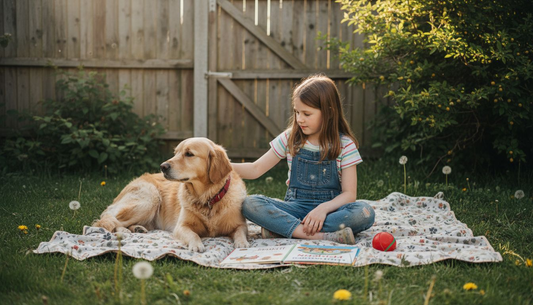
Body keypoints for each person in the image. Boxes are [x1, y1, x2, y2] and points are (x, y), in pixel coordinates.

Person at [231, 74, 375, 244]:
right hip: (295, 208)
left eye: (306, 113)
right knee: (250, 203)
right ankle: (317, 234)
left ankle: (284, 229)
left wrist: (322, 209)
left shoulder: (345, 144)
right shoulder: (290, 138)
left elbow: (349, 195)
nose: (299, 119)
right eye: (297, 112)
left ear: (328, 112)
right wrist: (219, 165)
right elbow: (255, 169)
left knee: (365, 212)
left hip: (330, 211)